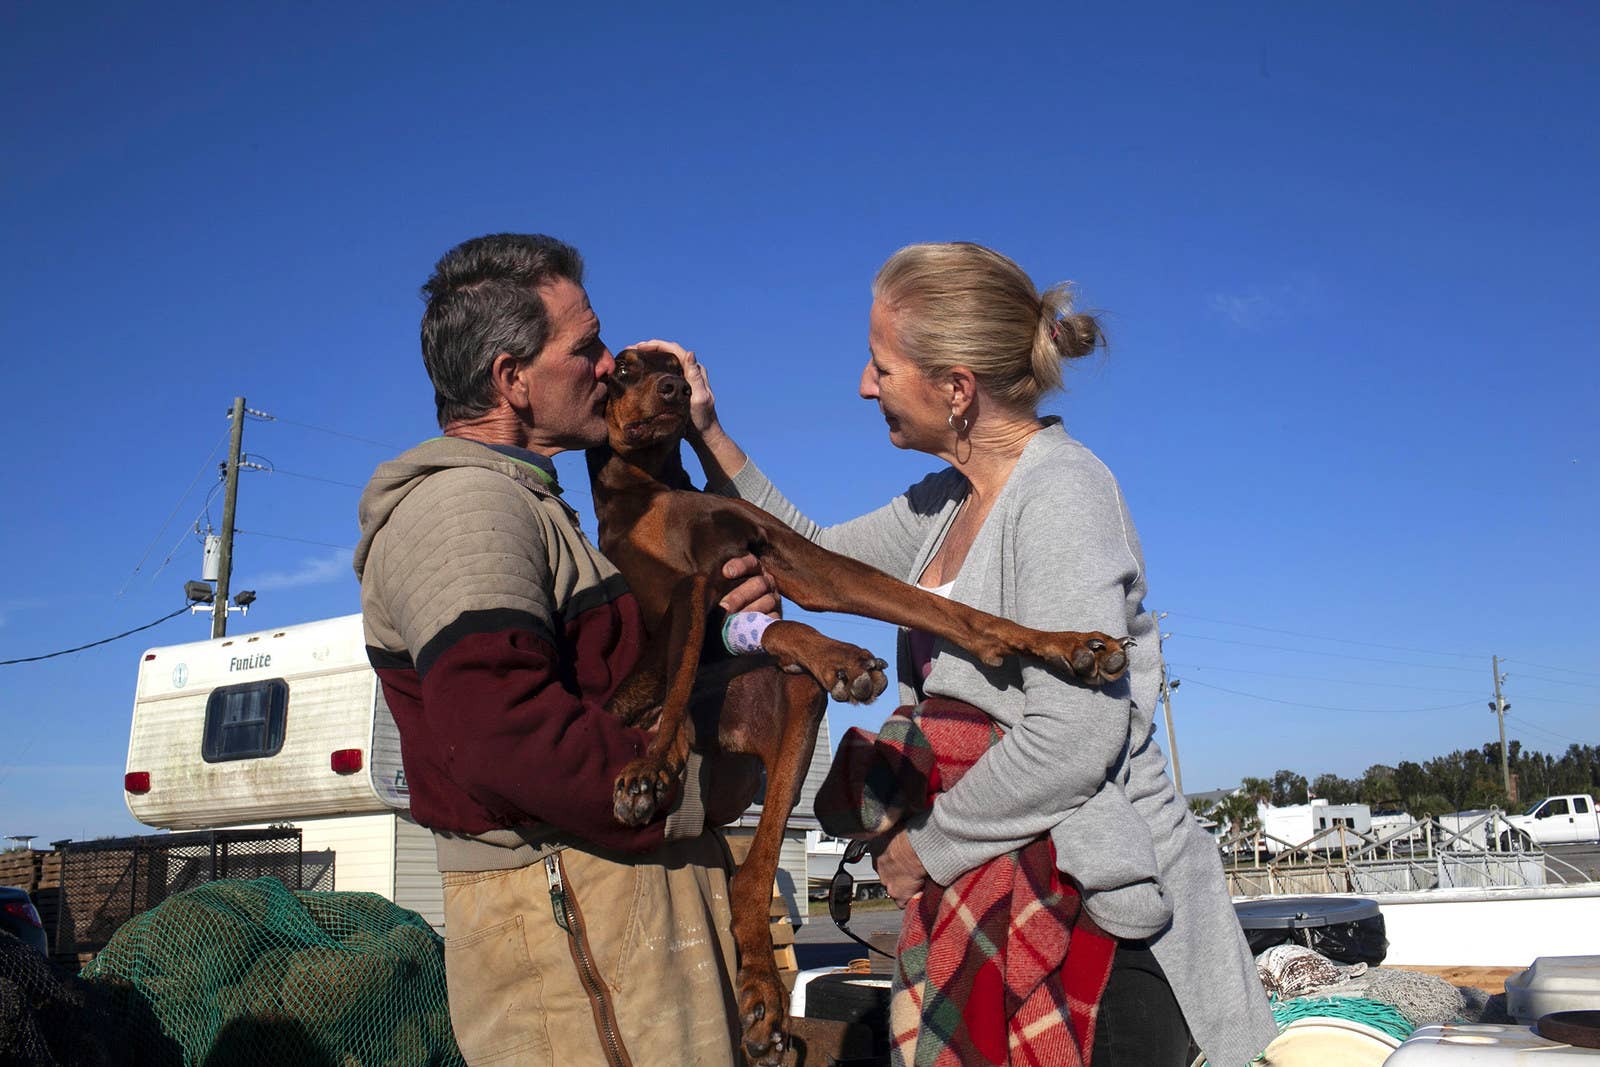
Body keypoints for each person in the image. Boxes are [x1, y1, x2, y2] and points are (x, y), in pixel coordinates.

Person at [669, 241, 1278, 1066]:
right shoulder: (941, 504)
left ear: (957, 389)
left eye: (881, 366)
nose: (863, 385)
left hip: (1100, 924)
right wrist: (709, 432)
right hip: (1002, 898)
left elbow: (1073, 736)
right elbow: (808, 555)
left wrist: (926, 846)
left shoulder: (1062, 493)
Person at [353, 233, 774, 1067]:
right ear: (512, 379)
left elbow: (629, 685)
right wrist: (693, 791)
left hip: (612, 923)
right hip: (579, 932)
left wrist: (727, 628)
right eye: (584, 347)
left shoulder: (535, 507)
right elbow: (503, 733)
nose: (608, 362)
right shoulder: (466, 510)